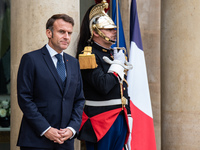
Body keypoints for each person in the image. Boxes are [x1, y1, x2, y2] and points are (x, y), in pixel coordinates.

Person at [17, 14, 85, 150]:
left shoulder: (73, 63)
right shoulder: (31, 59)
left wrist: (72, 128)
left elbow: (79, 99)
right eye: (61, 32)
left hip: (65, 141)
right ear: (49, 33)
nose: (66, 37)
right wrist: (46, 129)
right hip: (36, 140)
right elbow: (25, 99)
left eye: (69, 33)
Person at [76, 1, 132, 150]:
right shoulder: (88, 56)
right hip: (100, 120)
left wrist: (129, 115)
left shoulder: (113, 55)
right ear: (96, 32)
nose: (114, 32)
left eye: (113, 29)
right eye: (108, 29)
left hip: (120, 117)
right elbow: (103, 86)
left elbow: (123, 90)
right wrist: (118, 66)